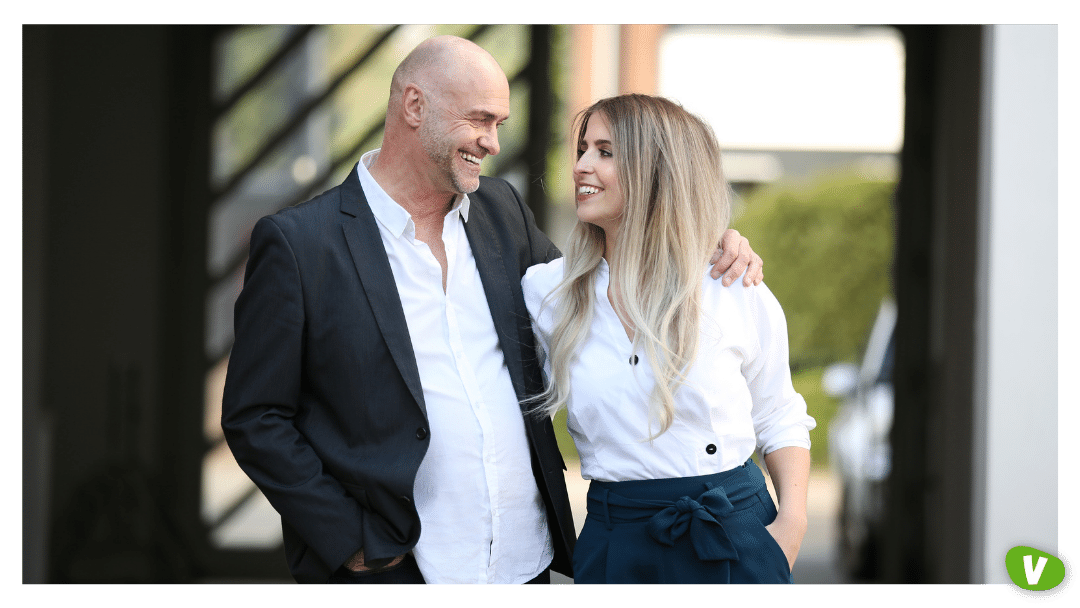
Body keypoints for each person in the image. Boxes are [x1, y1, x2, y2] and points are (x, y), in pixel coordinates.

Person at [222, 37, 763, 585]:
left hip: (521, 561)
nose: (494, 142)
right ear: (414, 106)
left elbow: (603, 287)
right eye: (480, 119)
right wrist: (349, 541)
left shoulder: (501, 211)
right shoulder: (300, 244)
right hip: (396, 567)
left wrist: (704, 246)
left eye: (500, 122)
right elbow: (256, 417)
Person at [523, 94, 814, 584]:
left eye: (605, 152)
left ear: (656, 170)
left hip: (735, 532)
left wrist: (791, 528)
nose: (581, 166)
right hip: (617, 542)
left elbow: (779, 415)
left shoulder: (732, 287)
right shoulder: (547, 294)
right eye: (583, 149)